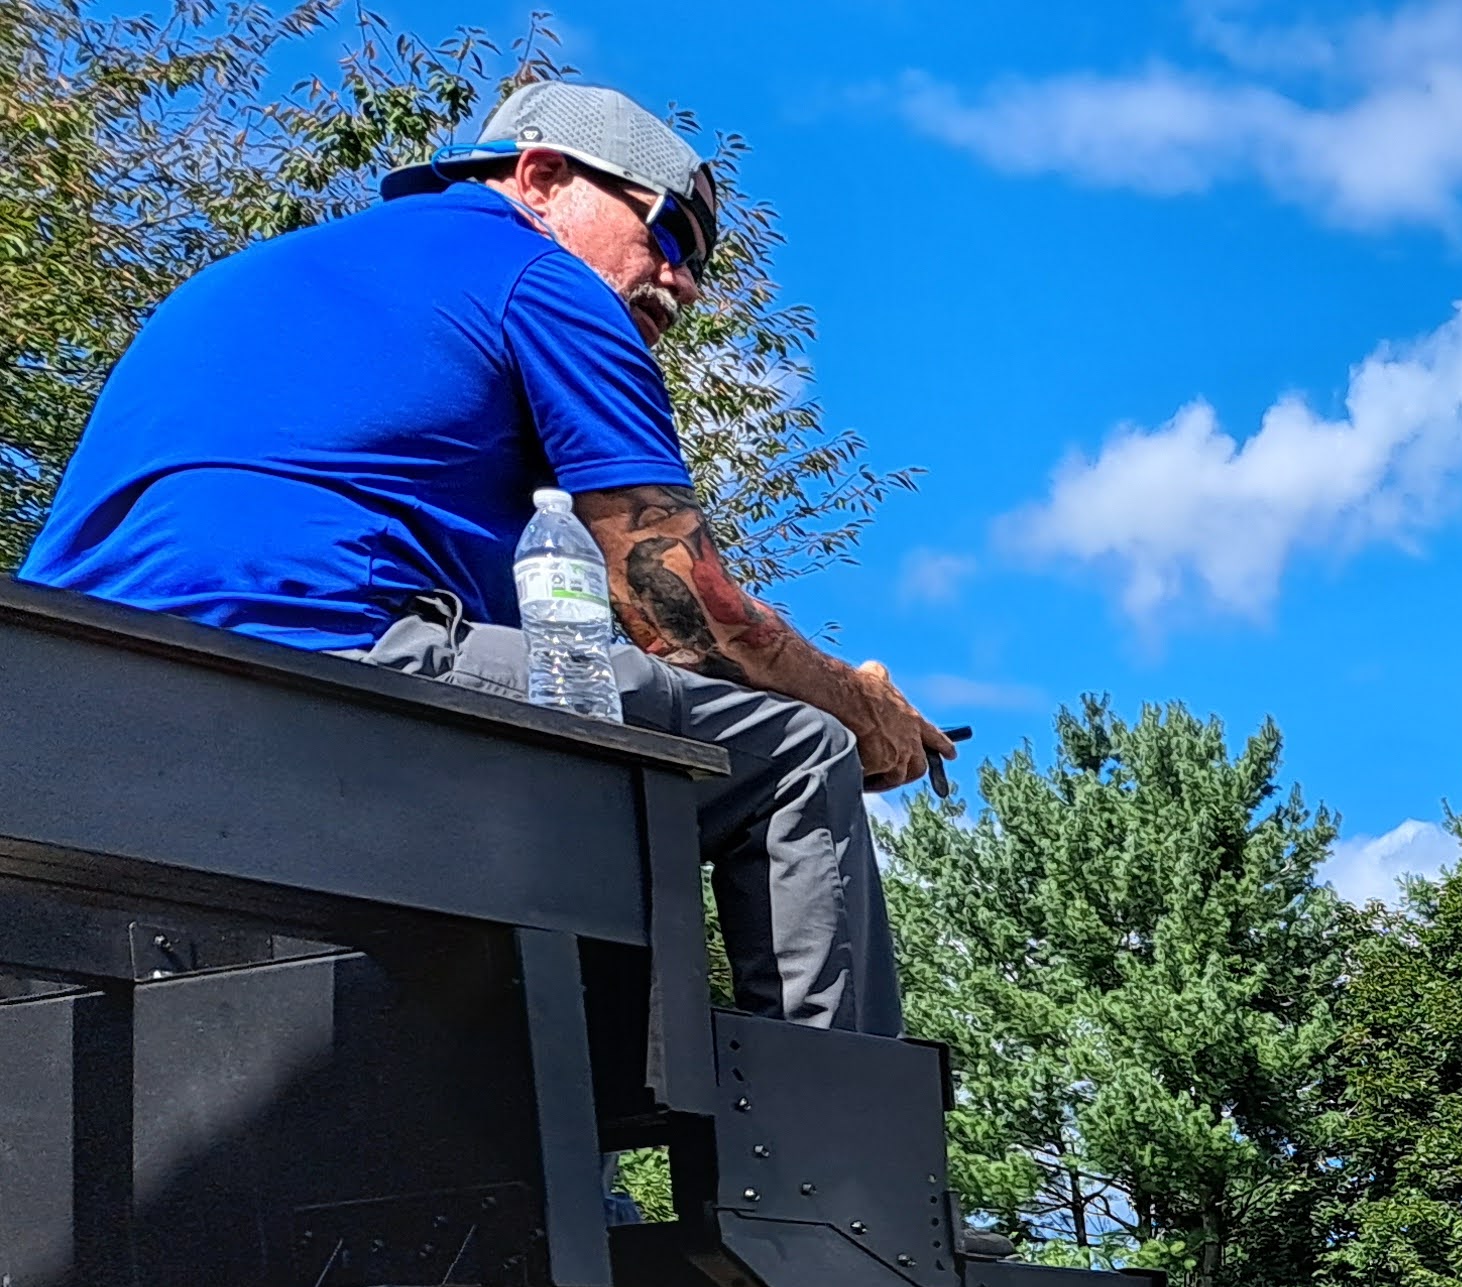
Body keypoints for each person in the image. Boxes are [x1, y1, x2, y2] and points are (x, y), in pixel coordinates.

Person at [20, 78, 951, 1035]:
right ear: (543, 175)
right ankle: (835, 1166)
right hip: (325, 679)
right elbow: (680, 612)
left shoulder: (239, 280)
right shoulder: (540, 277)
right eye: (670, 234)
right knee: (799, 755)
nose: (685, 282)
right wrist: (857, 703)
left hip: (70, 723)